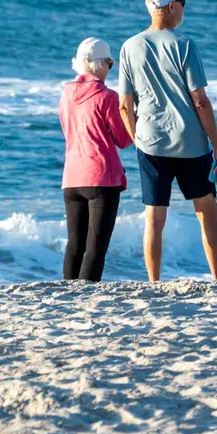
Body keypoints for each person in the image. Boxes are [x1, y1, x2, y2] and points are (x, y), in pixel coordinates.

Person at [118, 0, 217, 281]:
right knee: (207, 210)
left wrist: (137, 140)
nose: (183, 10)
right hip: (191, 142)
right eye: (183, 4)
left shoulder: (129, 46)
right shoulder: (185, 45)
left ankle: (154, 283)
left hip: (151, 142)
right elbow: (200, 101)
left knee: (154, 216)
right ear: (170, 7)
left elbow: (125, 106)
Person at [58, 37, 133, 281]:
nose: (110, 69)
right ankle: (86, 297)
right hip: (102, 178)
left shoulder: (65, 94)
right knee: (96, 248)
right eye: (109, 64)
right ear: (100, 65)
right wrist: (136, 118)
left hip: (71, 178)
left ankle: (67, 295)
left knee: (75, 245)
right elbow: (123, 140)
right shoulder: (107, 97)